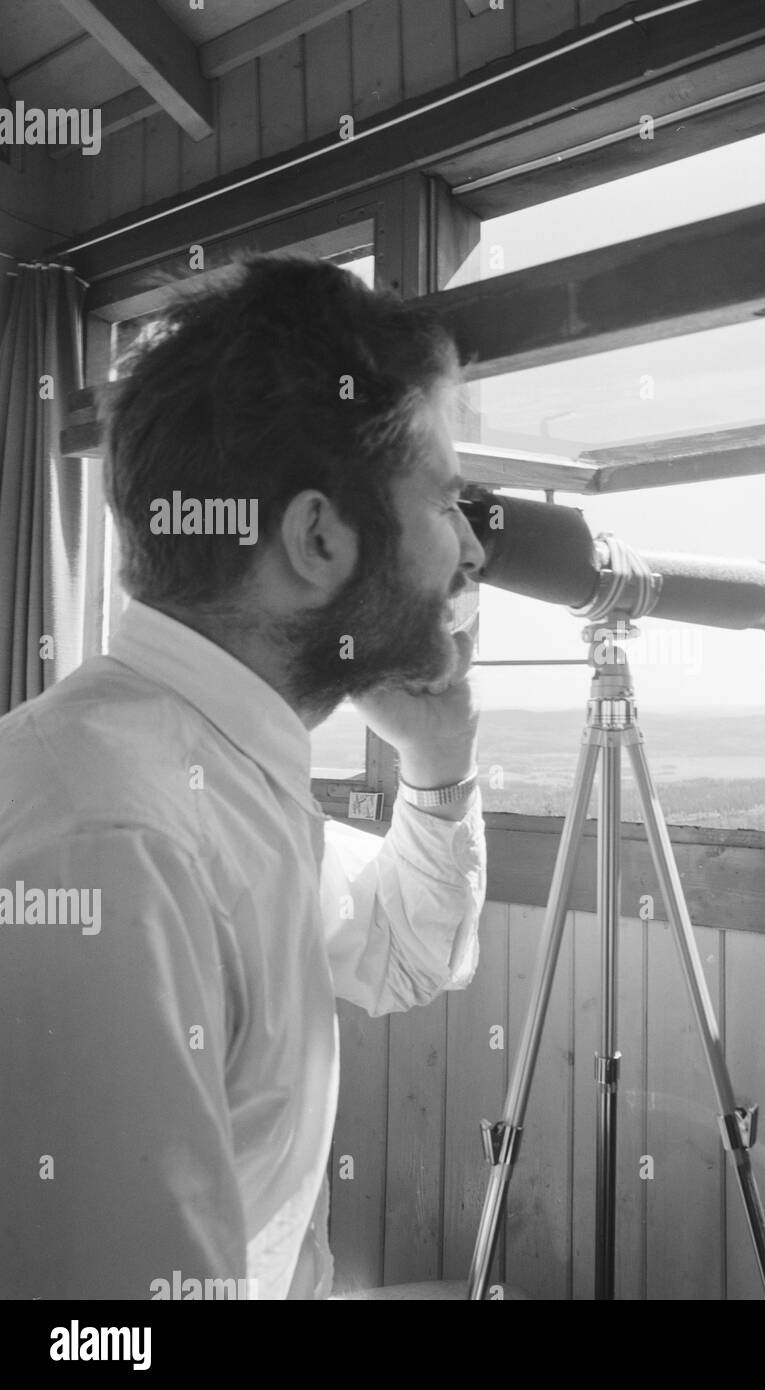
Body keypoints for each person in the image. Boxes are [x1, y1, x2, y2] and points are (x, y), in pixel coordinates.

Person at [0, 256, 488, 1299]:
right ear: (318, 537)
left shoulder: (214, 781)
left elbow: (410, 949)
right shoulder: (121, 846)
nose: (472, 551)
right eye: (446, 503)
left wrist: (438, 765)